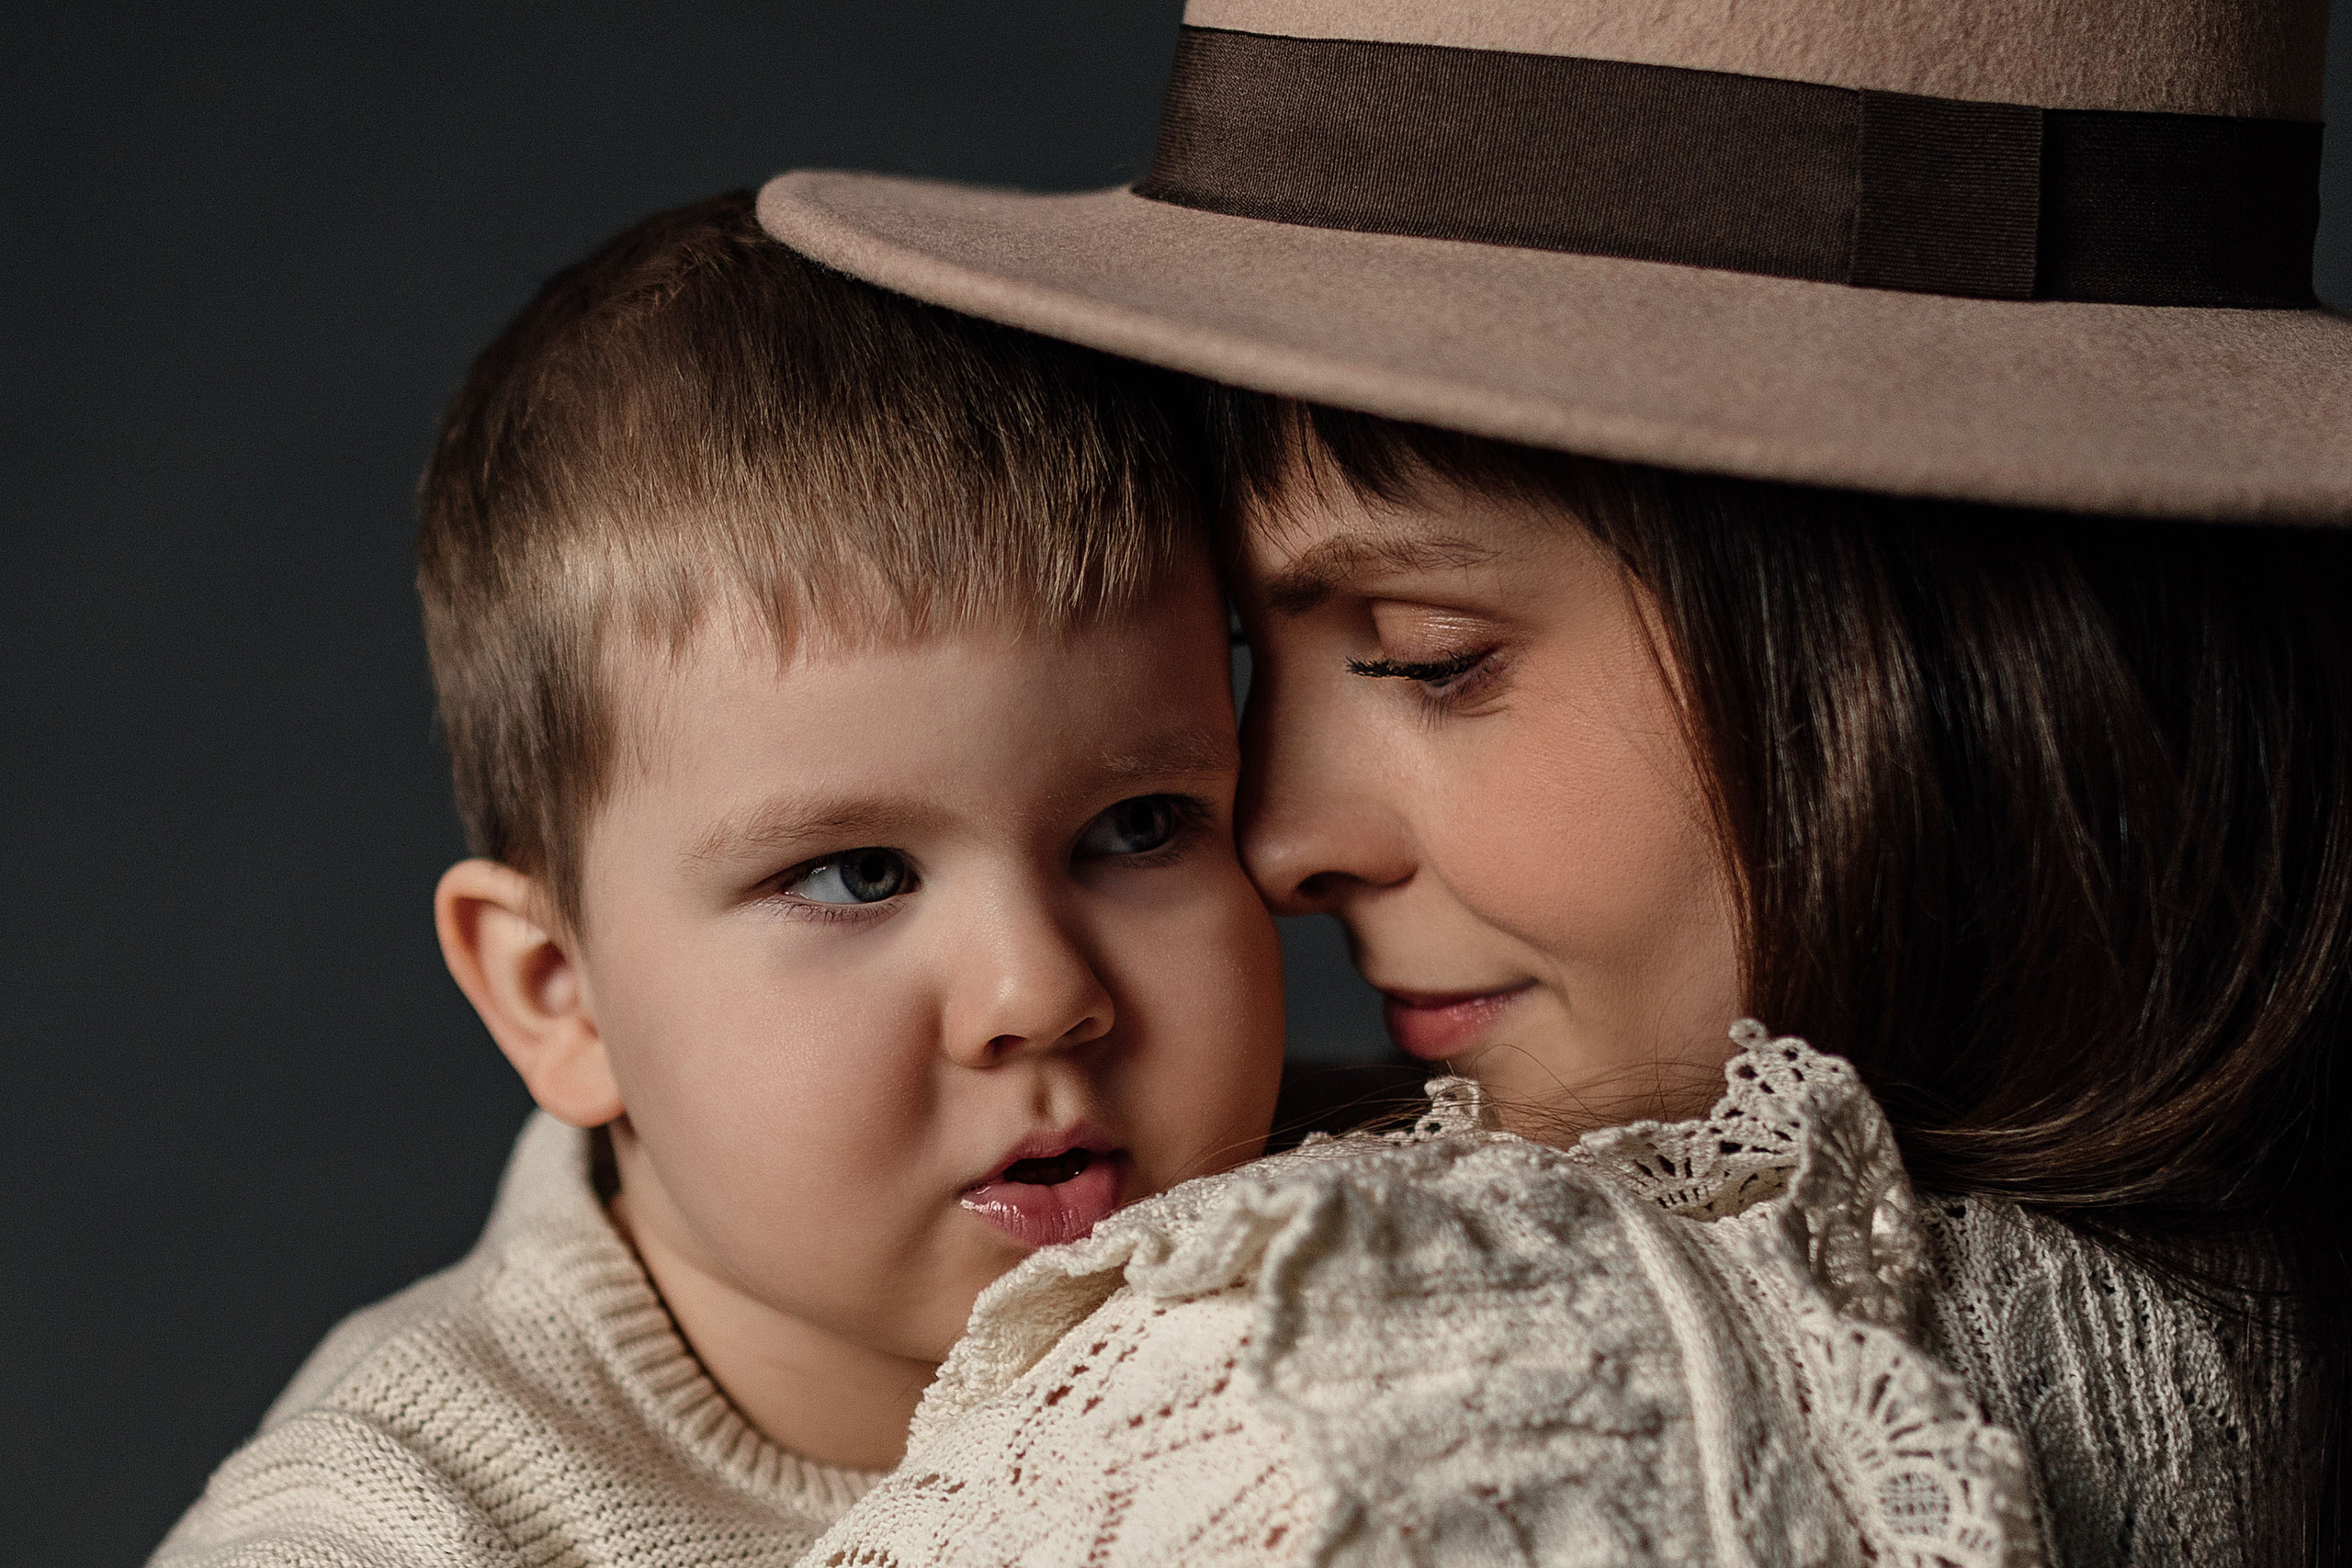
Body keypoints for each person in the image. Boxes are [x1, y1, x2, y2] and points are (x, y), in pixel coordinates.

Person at [758, 0, 2352, 1562]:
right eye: (1256, 664)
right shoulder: (2235, 1331)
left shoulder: (1340, 1386)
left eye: (1427, 655)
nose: (1282, 841)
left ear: (1951, 651)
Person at [147, 192, 1290, 1565]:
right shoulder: (390, 1526)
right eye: (860, 874)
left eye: (1139, 826)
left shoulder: (1408, 1251)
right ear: (559, 996)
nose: (1039, 992)